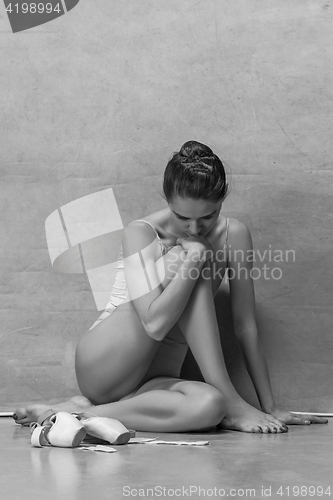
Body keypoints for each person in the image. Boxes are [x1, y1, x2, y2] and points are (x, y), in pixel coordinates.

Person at [14, 141, 327, 433]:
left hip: (155, 380)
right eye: (182, 218)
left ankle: (81, 412)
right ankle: (231, 402)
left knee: (209, 406)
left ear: (222, 201)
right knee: (186, 261)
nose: (194, 228)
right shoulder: (141, 232)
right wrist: (196, 257)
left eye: (208, 216)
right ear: (168, 201)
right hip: (107, 362)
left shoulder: (236, 235)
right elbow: (153, 324)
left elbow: (245, 325)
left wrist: (270, 406)